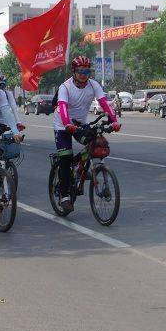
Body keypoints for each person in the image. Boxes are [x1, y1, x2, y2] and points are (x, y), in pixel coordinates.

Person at [53, 55, 120, 214]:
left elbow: (104, 104)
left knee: (95, 144)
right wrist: (67, 124)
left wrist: (114, 121)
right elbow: (62, 107)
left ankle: (79, 170)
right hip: (63, 125)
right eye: (80, 71)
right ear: (73, 72)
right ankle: (64, 196)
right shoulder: (65, 87)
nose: (84, 74)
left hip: (81, 124)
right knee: (65, 157)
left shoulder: (94, 85)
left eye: (86, 71)